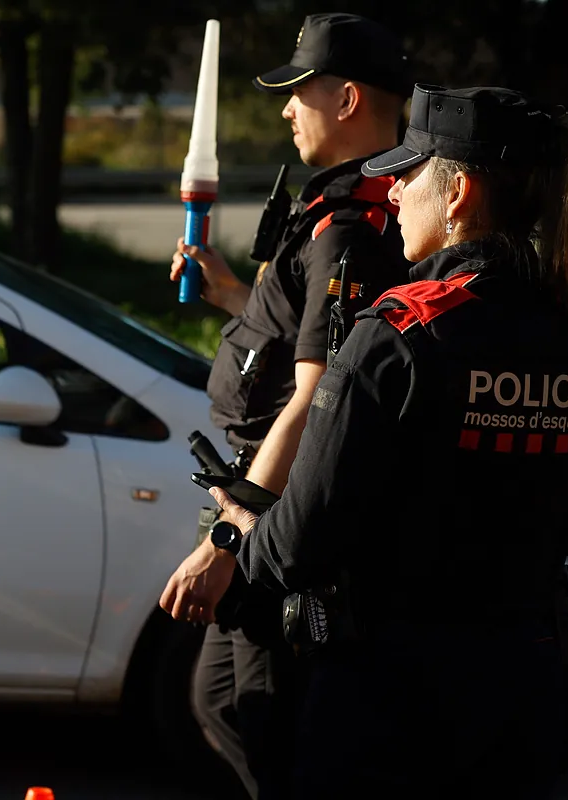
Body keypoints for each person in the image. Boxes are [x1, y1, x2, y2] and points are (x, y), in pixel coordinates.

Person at [164, 83, 568, 797]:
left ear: (459, 195)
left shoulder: (400, 334)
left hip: (395, 703)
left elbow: (298, 544)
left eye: (410, 172)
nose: (391, 193)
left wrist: (239, 527)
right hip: (534, 693)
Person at [162, 13, 414, 799]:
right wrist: (234, 296)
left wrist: (230, 536)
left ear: (346, 101)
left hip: (279, 512)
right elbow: (308, 335)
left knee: (259, 716)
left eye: (298, 91)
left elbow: (318, 394)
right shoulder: (343, 210)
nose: (285, 109)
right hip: (264, 497)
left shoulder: (353, 225)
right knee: (221, 702)